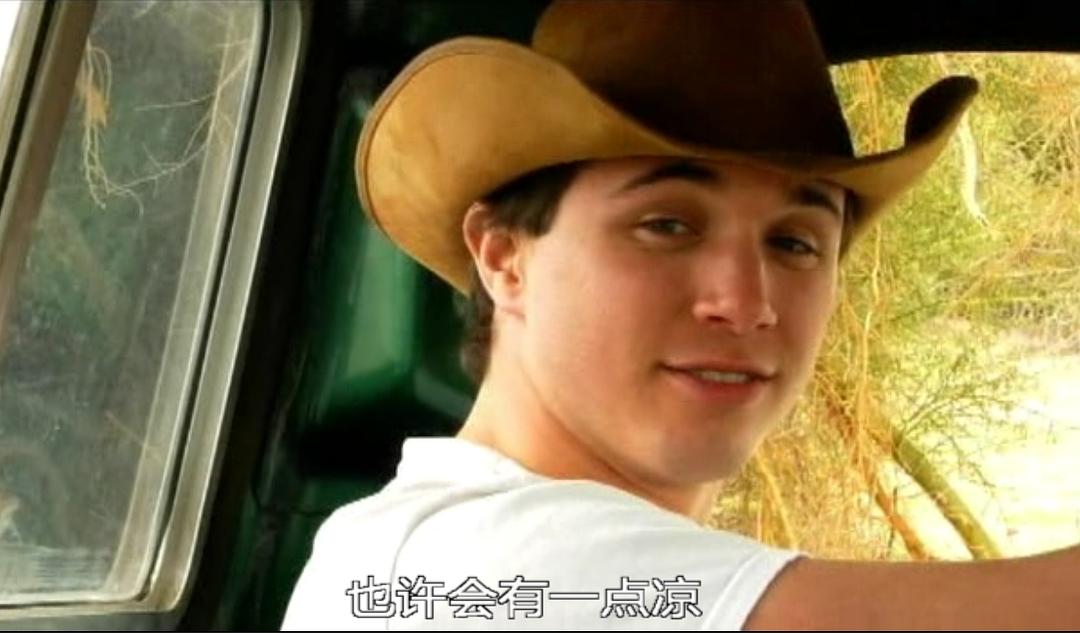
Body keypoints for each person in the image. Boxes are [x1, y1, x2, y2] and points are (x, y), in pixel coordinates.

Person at [282, 1, 1080, 629]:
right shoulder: (466, 570)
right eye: (666, 224)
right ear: (504, 256)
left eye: (795, 242)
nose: (746, 302)